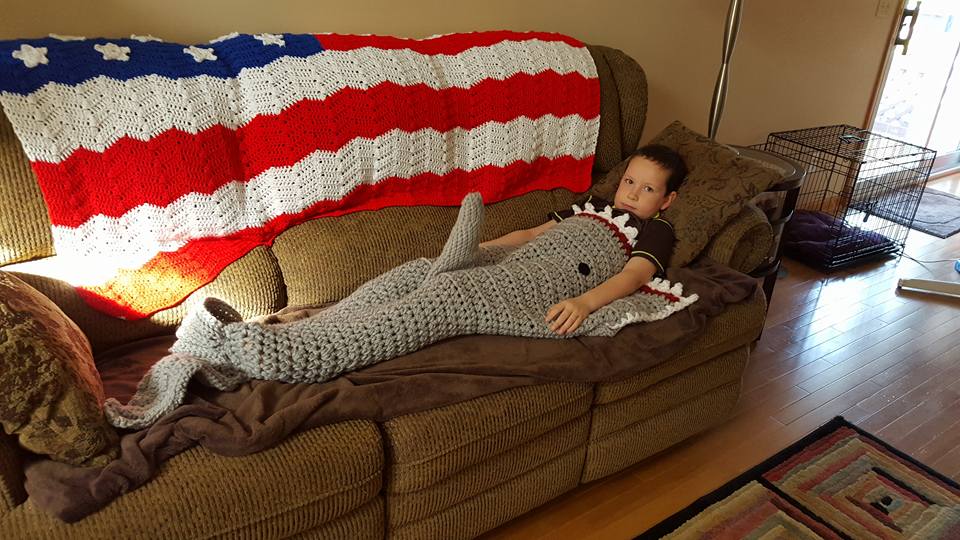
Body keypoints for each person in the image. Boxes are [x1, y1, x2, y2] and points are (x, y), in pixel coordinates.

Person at [479, 144, 688, 336]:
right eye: (629, 181)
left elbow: (634, 276)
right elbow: (531, 235)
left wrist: (585, 303)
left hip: (560, 273)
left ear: (667, 200)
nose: (632, 195)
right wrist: (480, 248)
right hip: (530, 255)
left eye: (648, 188)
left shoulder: (656, 228)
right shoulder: (592, 206)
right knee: (482, 264)